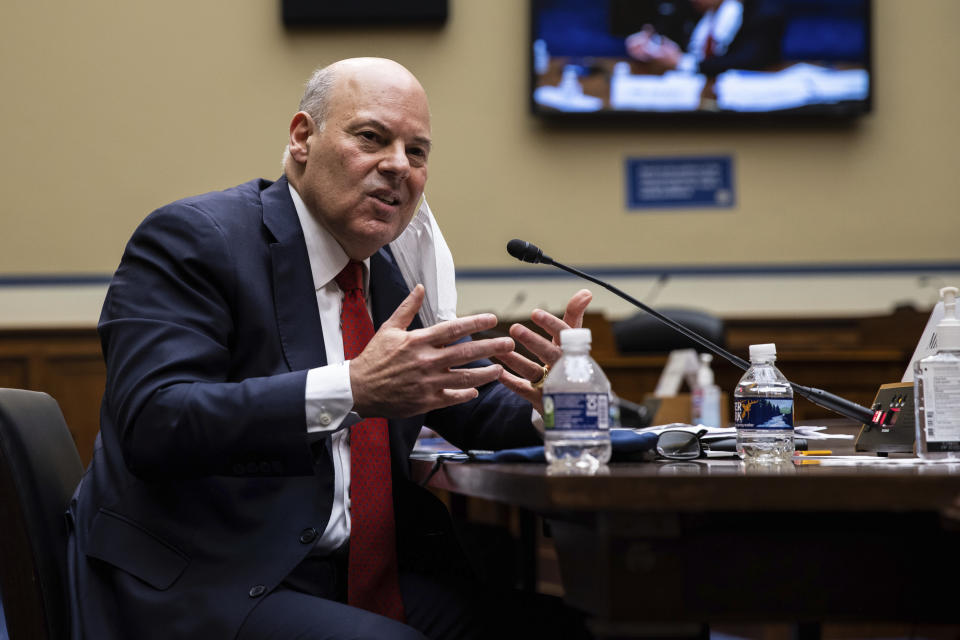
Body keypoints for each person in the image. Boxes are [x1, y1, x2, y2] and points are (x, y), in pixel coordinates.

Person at [66, 57, 593, 639]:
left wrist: (561, 400)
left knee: (569, 631)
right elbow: (156, 421)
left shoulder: (386, 274)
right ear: (302, 139)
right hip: (207, 579)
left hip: (348, 575)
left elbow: (467, 401)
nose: (397, 166)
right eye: (371, 137)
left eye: (417, 152)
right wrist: (353, 389)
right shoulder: (195, 239)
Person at [624, 0, 783, 76]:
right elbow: (664, 34)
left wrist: (683, 63)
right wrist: (649, 45)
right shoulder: (692, 9)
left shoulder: (764, 13)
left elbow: (749, 60)